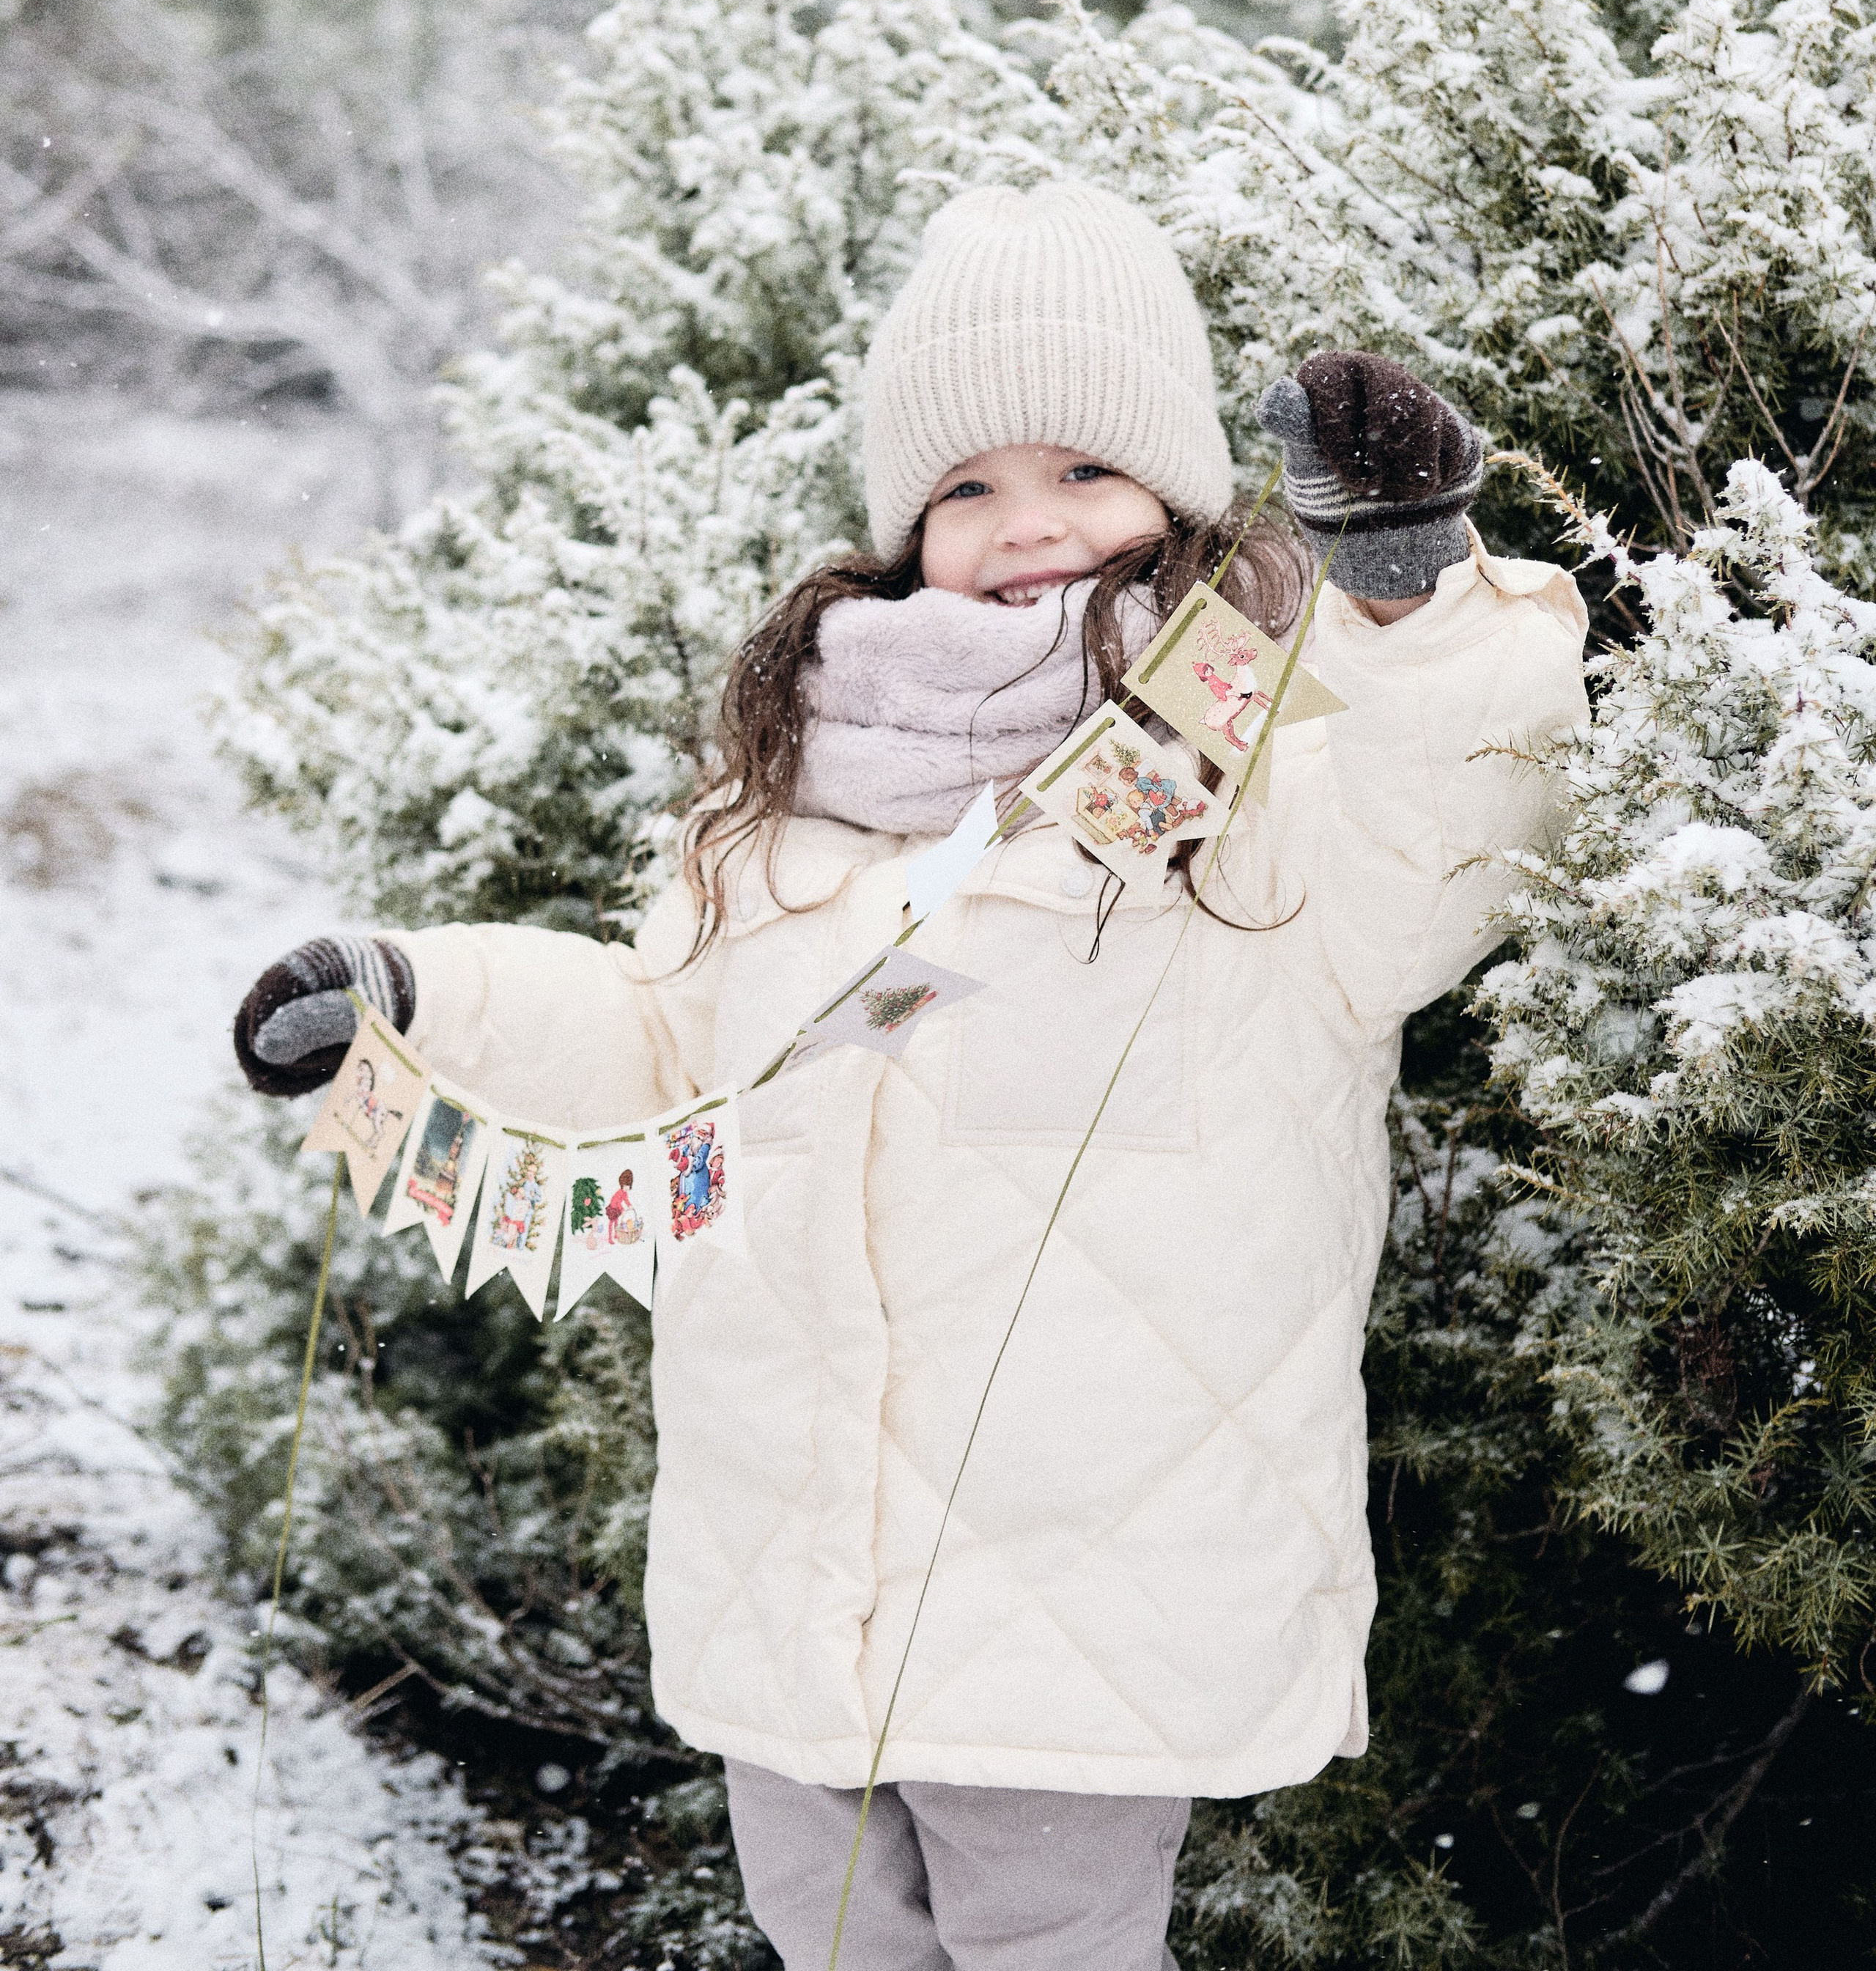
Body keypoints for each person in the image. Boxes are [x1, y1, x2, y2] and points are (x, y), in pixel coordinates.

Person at [231, 184, 1588, 1971]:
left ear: (1173, 493)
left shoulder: (1267, 766)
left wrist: (1404, 592)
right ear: (899, 524)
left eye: (1081, 472)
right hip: (789, 1559)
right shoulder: (789, 795)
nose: (1022, 524)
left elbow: (1443, 832)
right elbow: (664, 1033)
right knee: (833, 1942)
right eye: (963, 486)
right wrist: (420, 997)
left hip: (1091, 1566)